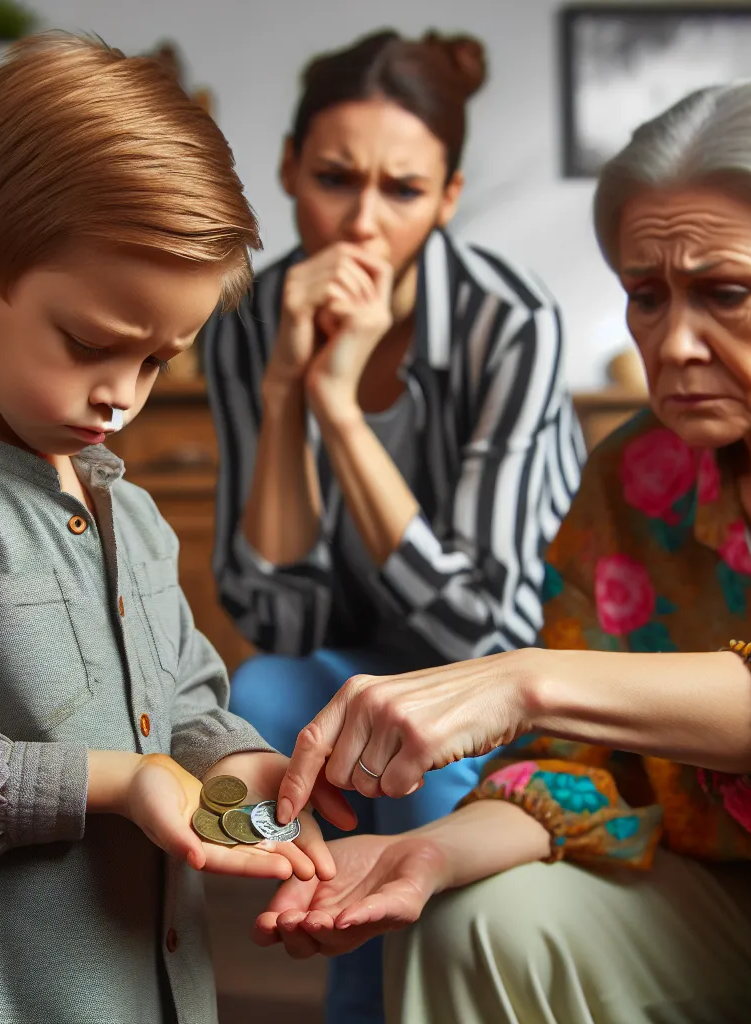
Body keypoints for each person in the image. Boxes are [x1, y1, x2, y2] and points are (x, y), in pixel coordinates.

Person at [258, 77, 751, 1024]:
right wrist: (433, 854)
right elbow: (582, 763)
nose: (676, 343)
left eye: (726, 293)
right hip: (744, 897)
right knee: (476, 924)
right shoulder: (640, 473)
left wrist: (527, 677)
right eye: (646, 297)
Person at [0, 34, 351, 1024]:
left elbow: (185, 701)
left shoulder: (134, 515)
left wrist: (244, 769)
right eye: (91, 345)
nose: (120, 397)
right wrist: (111, 783)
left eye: (158, 362)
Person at [204, 28, 583, 1024]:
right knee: (255, 696)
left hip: (502, 669)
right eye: (334, 178)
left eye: (403, 191)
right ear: (288, 169)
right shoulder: (247, 321)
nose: (361, 223)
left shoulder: (512, 324)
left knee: (416, 771)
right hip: (351, 655)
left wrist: (339, 405)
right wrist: (286, 385)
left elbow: (484, 635)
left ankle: (380, 991)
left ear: (448, 197)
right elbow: (278, 620)